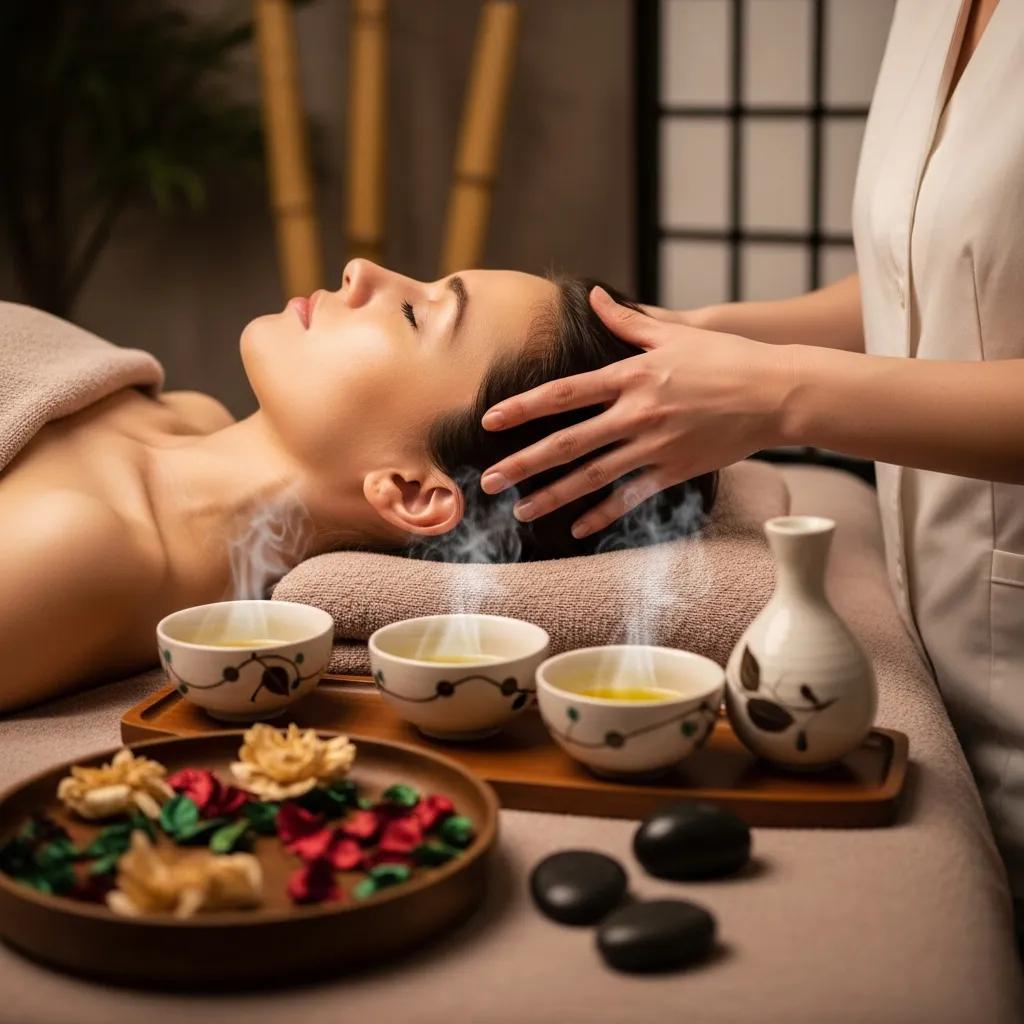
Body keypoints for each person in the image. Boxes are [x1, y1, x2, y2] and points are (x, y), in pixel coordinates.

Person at [478, 0, 1024, 910]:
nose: (357, 273)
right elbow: (934, 272)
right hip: (936, 641)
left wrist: (777, 393)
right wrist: (713, 336)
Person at [0, 261, 715, 713]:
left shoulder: (78, 547)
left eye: (414, 314)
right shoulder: (190, 414)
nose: (361, 271)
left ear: (412, 492)